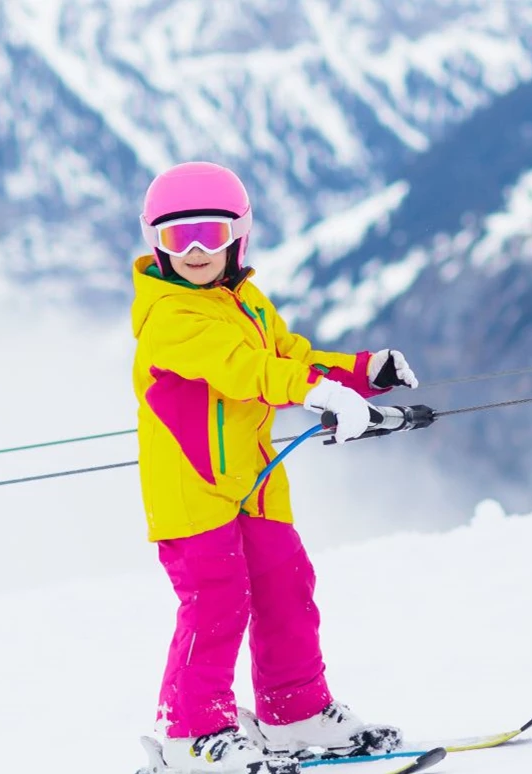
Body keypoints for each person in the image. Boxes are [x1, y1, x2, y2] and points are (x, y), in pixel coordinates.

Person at [130, 160, 420, 773]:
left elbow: (287, 355)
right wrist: (316, 394)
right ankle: (192, 735)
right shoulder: (171, 319)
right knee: (216, 600)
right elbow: (246, 372)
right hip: (193, 488)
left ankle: (295, 713)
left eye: (210, 232)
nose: (198, 250)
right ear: (156, 242)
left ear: (239, 234)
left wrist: (358, 373)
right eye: (179, 237)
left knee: (286, 584)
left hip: (254, 480)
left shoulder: (243, 300)